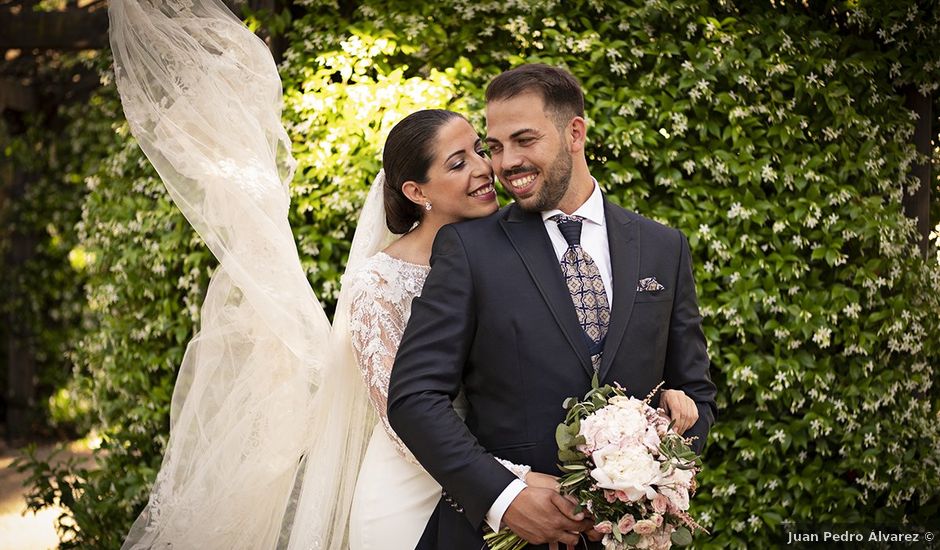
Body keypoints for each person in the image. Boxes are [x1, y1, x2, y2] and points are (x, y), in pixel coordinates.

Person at [387, 63, 718, 550]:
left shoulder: (663, 248)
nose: (504, 163)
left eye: (524, 140)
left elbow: (696, 393)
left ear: (575, 133)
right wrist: (505, 498)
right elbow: (414, 398)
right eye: (495, 147)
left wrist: (655, 468)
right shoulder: (468, 249)